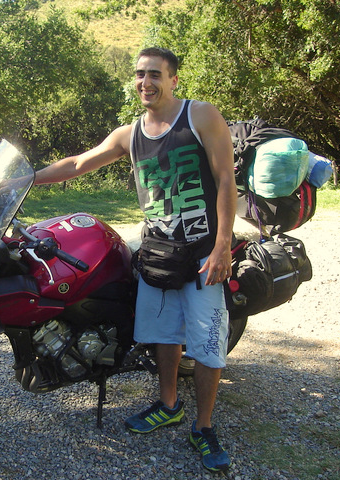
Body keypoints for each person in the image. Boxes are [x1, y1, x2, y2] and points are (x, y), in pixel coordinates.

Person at [33, 47, 236, 473]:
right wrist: (26, 179)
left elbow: (224, 179)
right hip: (158, 253)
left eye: (155, 74)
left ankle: (203, 427)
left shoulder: (200, 116)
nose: (146, 82)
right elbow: (78, 163)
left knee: (207, 345)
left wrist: (222, 245)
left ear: (174, 79)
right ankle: (168, 404)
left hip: (202, 254)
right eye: (141, 74)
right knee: (164, 335)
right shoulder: (130, 135)